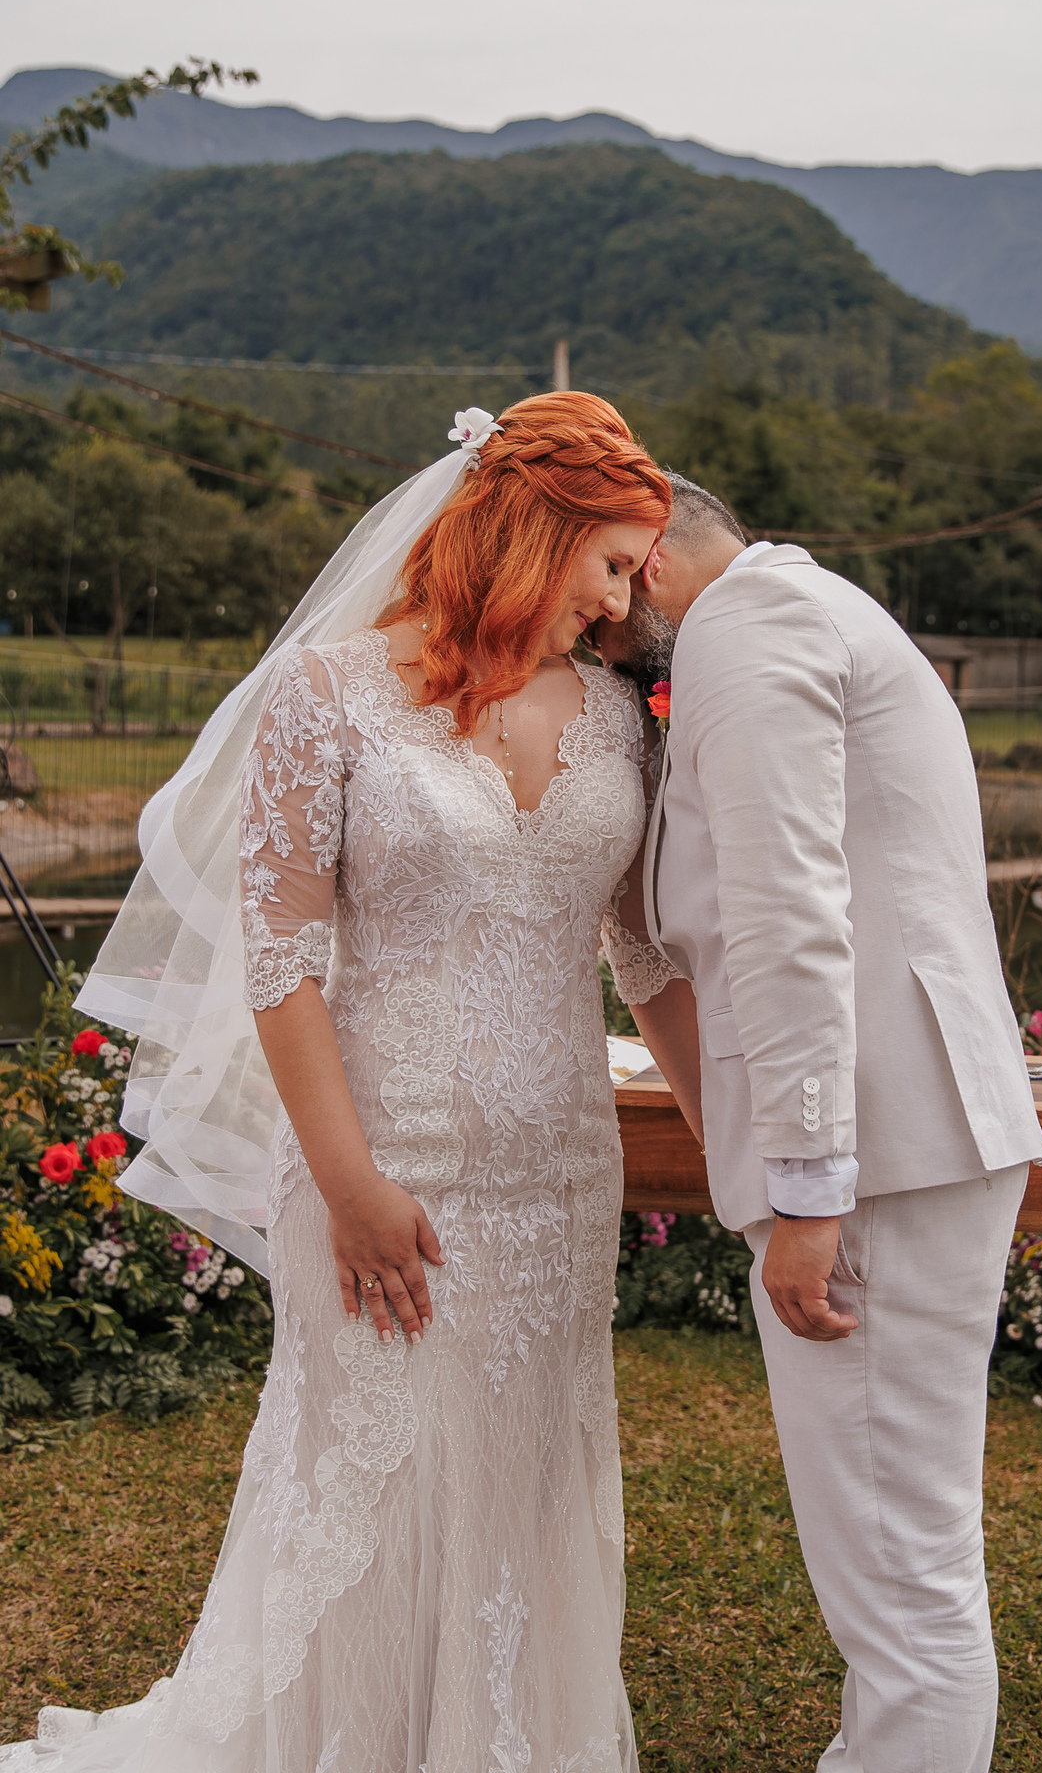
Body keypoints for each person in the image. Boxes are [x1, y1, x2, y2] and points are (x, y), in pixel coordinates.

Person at [1, 395, 671, 1773]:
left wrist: (751, 1153)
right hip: (376, 1159)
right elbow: (281, 957)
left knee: (523, 1479)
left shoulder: (615, 714)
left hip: (556, 1170)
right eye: (611, 563)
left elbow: (652, 961)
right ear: (530, 532)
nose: (620, 608)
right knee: (369, 1473)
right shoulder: (330, 694)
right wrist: (353, 1184)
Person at [595, 472, 1042, 1773]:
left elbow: (790, 921)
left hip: (876, 1165)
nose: (596, 639)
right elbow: (697, 942)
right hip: (896, 1146)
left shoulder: (754, 630)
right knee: (906, 1562)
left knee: (902, 1590)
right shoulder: (790, 617)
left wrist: (803, 1190)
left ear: (651, 560)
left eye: (603, 610)